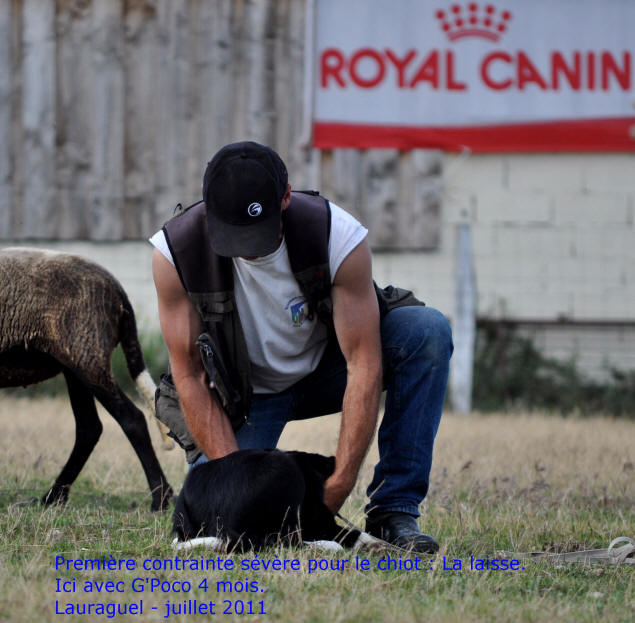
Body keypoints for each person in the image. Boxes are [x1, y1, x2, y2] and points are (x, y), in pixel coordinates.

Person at [150, 141, 453, 553]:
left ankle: (393, 511)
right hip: (246, 395)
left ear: (286, 198)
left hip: (327, 373)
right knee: (222, 519)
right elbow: (188, 374)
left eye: (256, 232)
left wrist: (334, 492)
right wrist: (238, 482)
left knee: (426, 331)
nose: (247, 248)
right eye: (232, 234)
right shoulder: (175, 253)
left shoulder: (337, 236)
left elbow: (363, 364)